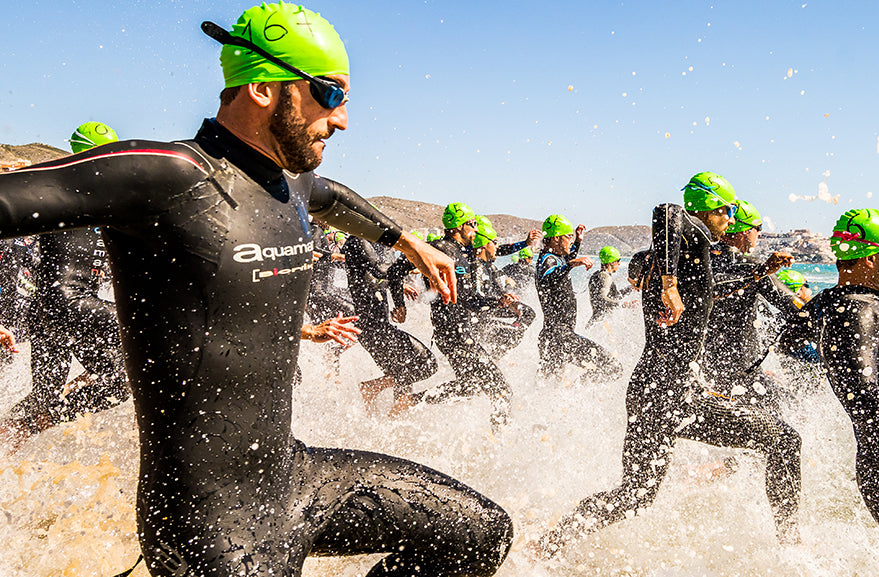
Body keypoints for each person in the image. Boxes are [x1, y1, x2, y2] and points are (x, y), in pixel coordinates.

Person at [0, 4, 512, 575]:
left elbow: (330, 196)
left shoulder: (288, 181)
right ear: (264, 88)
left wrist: (407, 242)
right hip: (207, 523)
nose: (341, 119)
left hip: (289, 476)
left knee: (478, 533)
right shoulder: (166, 175)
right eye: (330, 94)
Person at [537, 172, 802, 556]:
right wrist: (669, 283)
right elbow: (666, 211)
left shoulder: (679, 257)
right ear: (710, 207)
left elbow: (716, 289)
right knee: (785, 440)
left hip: (649, 389)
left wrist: (759, 273)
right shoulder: (688, 236)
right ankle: (792, 548)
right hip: (675, 393)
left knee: (636, 495)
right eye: (727, 210)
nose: (730, 220)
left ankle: (548, 544)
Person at [778, 208, 879, 575]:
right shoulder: (858, 311)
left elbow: (787, 342)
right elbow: (863, 399)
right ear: (872, 256)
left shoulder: (830, 302)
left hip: (878, 463)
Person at [2, 122, 130, 447]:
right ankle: (48, 417)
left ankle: (9, 439)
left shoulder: (112, 203)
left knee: (44, 398)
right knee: (124, 378)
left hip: (50, 316)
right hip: (68, 306)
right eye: (100, 156)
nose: (107, 164)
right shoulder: (57, 193)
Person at [388, 203, 515, 429]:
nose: (475, 230)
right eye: (472, 224)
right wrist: (399, 305)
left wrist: (499, 302)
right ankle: (499, 443)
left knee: (470, 387)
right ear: (459, 226)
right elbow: (394, 271)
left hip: (456, 331)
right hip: (453, 333)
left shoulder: (463, 254)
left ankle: (409, 401)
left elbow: (468, 300)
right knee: (502, 390)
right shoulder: (436, 249)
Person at [703, 199, 799, 412]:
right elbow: (791, 304)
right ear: (745, 231)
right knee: (790, 407)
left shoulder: (701, 258)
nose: (760, 235)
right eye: (758, 229)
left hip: (705, 367)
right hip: (741, 371)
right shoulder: (752, 267)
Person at [342, 232, 438, 416]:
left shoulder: (360, 245)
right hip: (374, 329)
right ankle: (371, 388)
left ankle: (381, 426)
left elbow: (372, 277)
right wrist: (411, 267)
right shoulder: (358, 241)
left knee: (403, 378)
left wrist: (397, 287)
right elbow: (379, 271)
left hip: (374, 329)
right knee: (427, 363)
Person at [535, 215, 622, 383]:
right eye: (568, 237)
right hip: (559, 337)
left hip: (555, 338)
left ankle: (566, 398)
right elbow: (548, 278)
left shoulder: (555, 258)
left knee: (549, 387)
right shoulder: (547, 261)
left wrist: (578, 241)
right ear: (556, 238)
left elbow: (567, 257)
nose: (571, 240)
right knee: (612, 367)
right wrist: (571, 264)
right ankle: (576, 388)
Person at [471, 216, 536, 356]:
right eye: (494, 242)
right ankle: (493, 355)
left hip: (490, 307)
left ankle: (497, 352)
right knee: (514, 333)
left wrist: (508, 298)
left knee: (527, 314)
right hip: (477, 317)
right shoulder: (473, 265)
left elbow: (502, 251)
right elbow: (474, 298)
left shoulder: (490, 266)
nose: (497, 247)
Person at [586, 245, 634, 327]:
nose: (619, 263)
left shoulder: (596, 275)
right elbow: (602, 298)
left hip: (596, 321)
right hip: (602, 323)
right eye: (618, 260)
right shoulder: (605, 278)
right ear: (611, 262)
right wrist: (623, 304)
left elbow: (614, 296)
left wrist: (631, 288)